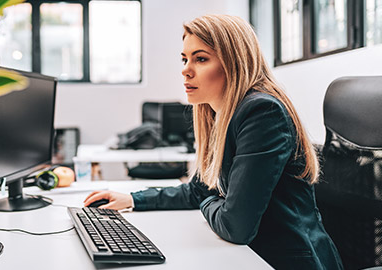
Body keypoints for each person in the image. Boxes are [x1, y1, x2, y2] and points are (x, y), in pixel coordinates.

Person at [84, 14, 343, 270]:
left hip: (285, 260)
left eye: (201, 59)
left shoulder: (262, 112)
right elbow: (199, 189)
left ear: (234, 63)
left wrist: (209, 202)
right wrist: (132, 199)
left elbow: (235, 226)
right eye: (185, 59)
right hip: (249, 256)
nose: (185, 69)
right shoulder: (221, 115)